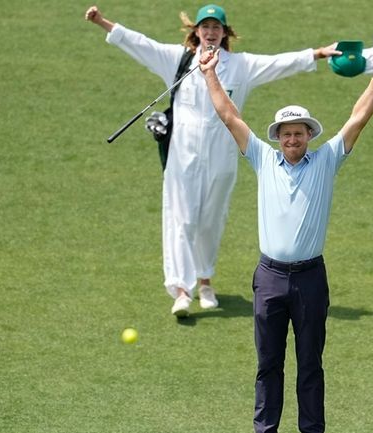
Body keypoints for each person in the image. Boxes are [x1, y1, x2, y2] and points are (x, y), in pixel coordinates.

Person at [84, 4, 341, 317]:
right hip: (182, 159)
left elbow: (279, 63)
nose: (210, 32)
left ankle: (205, 282)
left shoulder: (241, 66)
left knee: (211, 220)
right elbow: (141, 44)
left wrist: (317, 53)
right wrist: (102, 22)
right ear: (196, 31)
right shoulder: (177, 60)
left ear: (225, 33)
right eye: (205, 27)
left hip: (222, 160)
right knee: (181, 220)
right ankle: (180, 289)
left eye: (216, 27)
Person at [199, 34, 373, 433]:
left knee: (310, 364)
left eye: (299, 132)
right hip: (270, 277)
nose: (292, 139)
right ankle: (265, 429)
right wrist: (209, 75)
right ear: (277, 136)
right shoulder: (262, 157)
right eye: (286, 133)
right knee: (268, 364)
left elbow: (358, 118)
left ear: (310, 135)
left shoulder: (326, 160)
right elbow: (230, 116)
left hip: (310, 278)